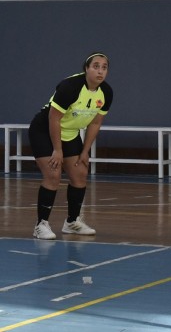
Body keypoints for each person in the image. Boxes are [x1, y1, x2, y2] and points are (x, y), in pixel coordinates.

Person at [29, 53, 113, 240]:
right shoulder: (70, 87)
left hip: (70, 134)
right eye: (96, 66)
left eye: (104, 67)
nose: (100, 71)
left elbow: (95, 123)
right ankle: (41, 224)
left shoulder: (106, 92)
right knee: (53, 174)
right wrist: (57, 150)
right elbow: (53, 118)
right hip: (44, 130)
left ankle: (72, 222)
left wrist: (85, 151)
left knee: (80, 173)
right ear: (86, 68)